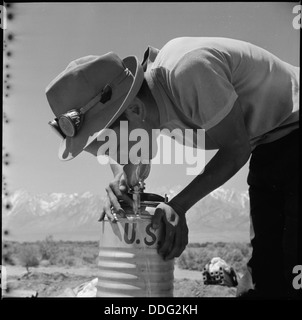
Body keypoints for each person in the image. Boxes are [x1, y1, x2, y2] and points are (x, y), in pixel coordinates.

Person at [45, 37, 299, 298]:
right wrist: (123, 174)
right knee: (263, 276)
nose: (113, 156)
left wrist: (178, 205)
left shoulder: (188, 71)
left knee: (295, 269)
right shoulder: (148, 103)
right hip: (270, 146)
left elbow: (235, 148)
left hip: (294, 133)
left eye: (110, 147)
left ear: (134, 109)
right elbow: (136, 145)